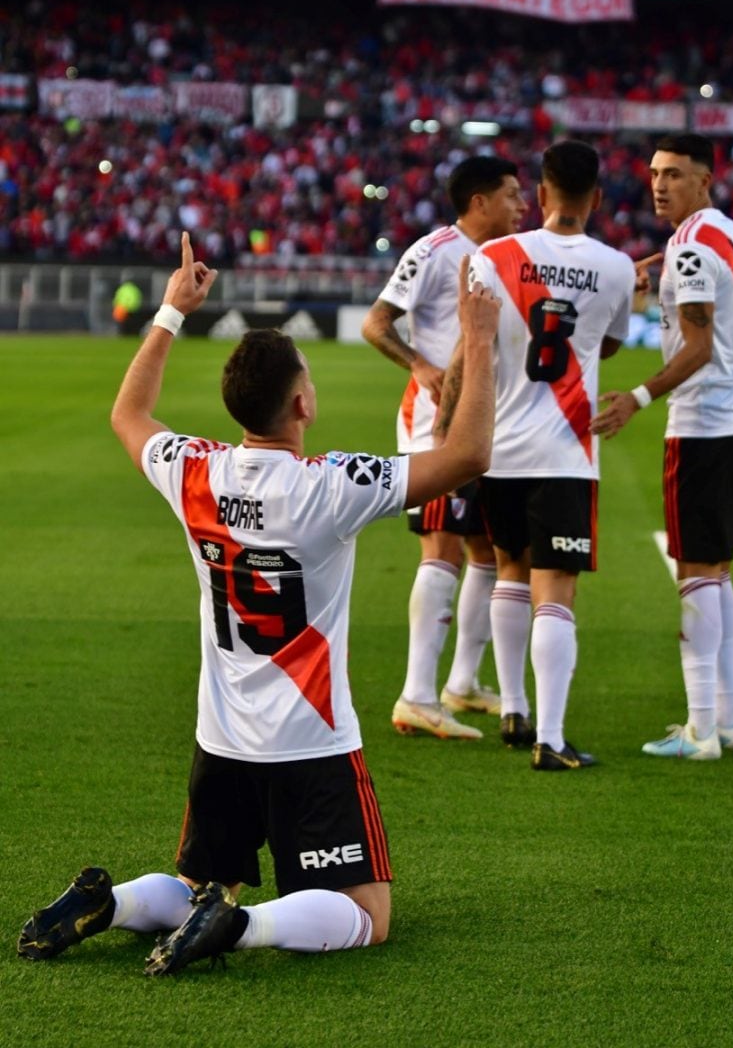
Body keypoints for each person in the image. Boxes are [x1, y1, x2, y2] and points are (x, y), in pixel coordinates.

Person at [17, 232, 501, 975]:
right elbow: (469, 456)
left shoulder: (194, 472)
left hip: (223, 737)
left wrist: (173, 312)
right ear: (303, 401)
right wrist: (478, 335)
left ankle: (110, 907)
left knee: (196, 883)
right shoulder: (332, 486)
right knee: (368, 915)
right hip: (311, 744)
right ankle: (236, 929)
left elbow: (127, 413)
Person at [435, 140, 638, 770]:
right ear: (597, 198)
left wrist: (444, 440)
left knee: (510, 572)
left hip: (500, 450)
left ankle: (515, 707)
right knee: (557, 591)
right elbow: (606, 345)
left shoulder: (493, 255)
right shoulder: (617, 266)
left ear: (543, 194)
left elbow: (465, 358)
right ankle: (550, 739)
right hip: (565, 451)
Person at [591, 132, 733, 761]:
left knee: (696, 575)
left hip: (705, 426)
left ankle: (700, 731)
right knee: (718, 572)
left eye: (674, 174)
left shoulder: (690, 246)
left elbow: (695, 348)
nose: (659, 184)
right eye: (655, 172)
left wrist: (635, 398)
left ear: (705, 180)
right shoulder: (730, 233)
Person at [361, 156, 527, 740]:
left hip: (490, 424)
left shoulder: (512, 256)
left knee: (486, 549)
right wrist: (421, 363)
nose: (522, 205)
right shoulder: (434, 252)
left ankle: (461, 682)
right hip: (435, 424)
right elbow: (376, 323)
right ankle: (416, 695)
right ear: (480, 201)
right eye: (512, 195)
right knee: (443, 547)